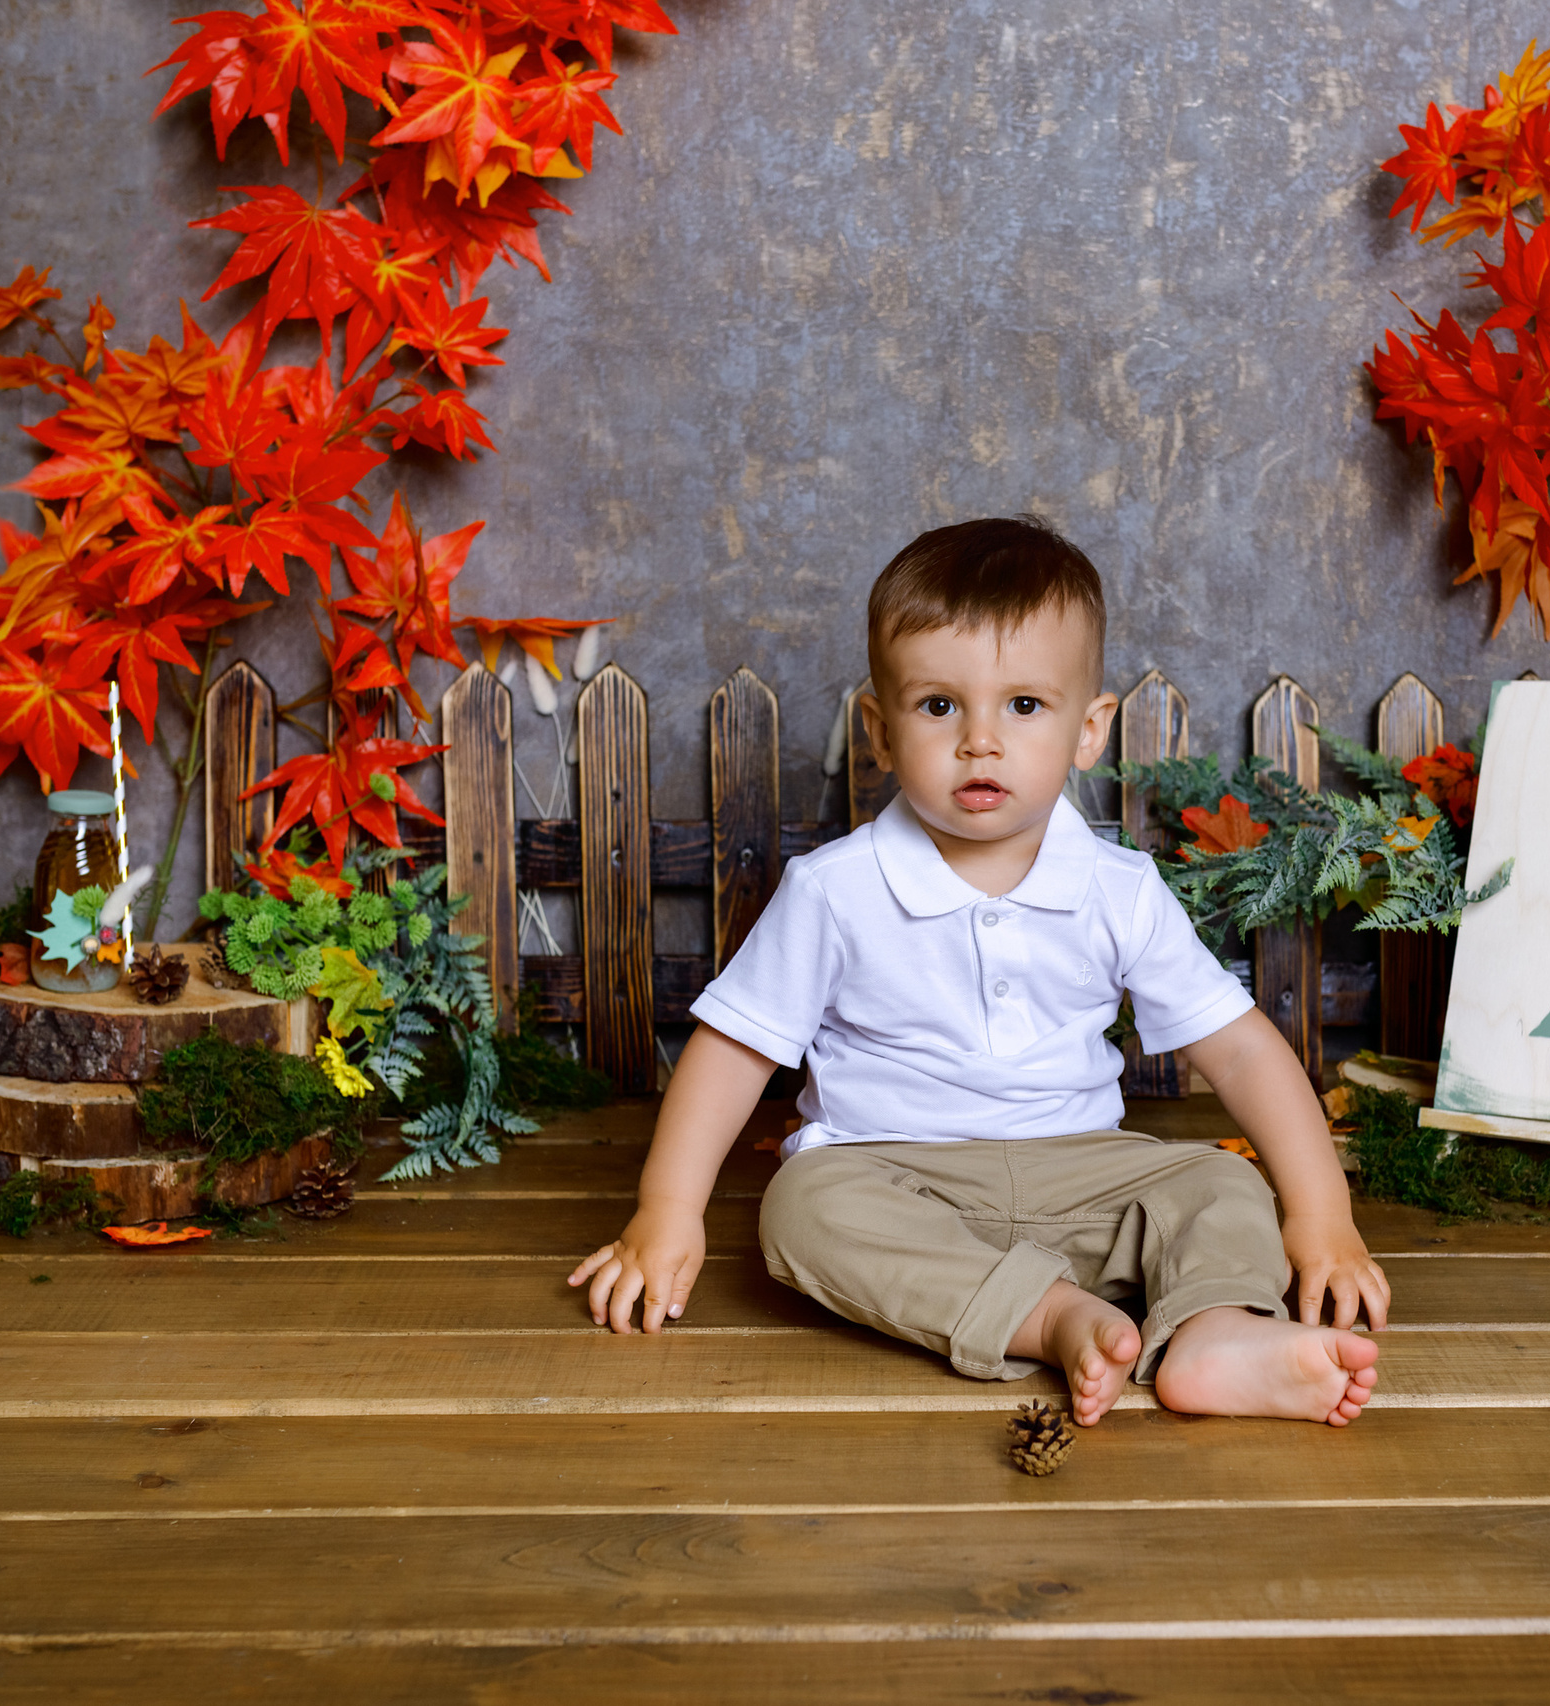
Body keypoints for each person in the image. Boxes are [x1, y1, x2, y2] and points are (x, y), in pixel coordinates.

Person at [567, 516, 1387, 1426]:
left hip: (1087, 1176)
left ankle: (1215, 1332)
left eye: (1024, 707)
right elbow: (732, 1053)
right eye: (939, 706)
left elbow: (1238, 1054)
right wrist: (669, 1208)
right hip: (894, 1175)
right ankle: (1052, 1318)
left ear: (1089, 729)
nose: (980, 741)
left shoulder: (1117, 888)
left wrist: (1321, 1215)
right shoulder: (836, 889)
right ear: (880, 729)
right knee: (801, 1209)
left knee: (1221, 1185)